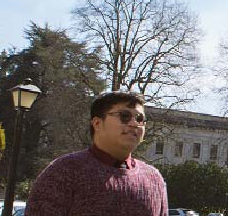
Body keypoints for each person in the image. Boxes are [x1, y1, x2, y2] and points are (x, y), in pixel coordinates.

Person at [26, 91, 167, 216]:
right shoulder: (64, 172)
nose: (133, 123)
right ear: (97, 123)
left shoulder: (154, 179)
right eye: (124, 116)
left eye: (139, 119)